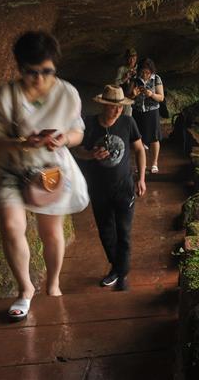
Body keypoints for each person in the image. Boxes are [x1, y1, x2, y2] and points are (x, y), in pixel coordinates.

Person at [0, 31, 89, 322]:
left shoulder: (67, 93)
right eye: (33, 73)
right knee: (11, 226)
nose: (41, 79)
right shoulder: (8, 94)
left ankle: (53, 284)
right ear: (20, 68)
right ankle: (25, 289)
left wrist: (63, 139)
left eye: (47, 71)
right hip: (11, 167)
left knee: (51, 232)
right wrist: (22, 142)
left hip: (48, 169)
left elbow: (78, 132)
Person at [74, 85, 146, 291]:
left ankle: (121, 273)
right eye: (113, 106)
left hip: (124, 187)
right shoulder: (88, 124)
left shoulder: (127, 122)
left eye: (120, 107)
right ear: (103, 105)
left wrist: (141, 178)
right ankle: (117, 267)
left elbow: (140, 149)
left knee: (123, 231)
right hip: (98, 188)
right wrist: (91, 155)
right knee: (106, 232)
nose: (117, 110)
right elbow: (78, 151)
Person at [132, 58, 165, 173]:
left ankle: (154, 163)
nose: (145, 74)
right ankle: (142, 164)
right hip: (138, 110)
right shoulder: (135, 79)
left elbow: (161, 97)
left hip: (152, 111)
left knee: (154, 138)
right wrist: (133, 94)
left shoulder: (156, 78)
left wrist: (151, 94)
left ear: (151, 71)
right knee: (138, 138)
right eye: (143, 72)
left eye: (147, 72)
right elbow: (128, 97)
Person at [114, 48, 138, 116]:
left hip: (138, 98)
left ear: (136, 57)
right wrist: (125, 78)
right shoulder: (121, 69)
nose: (132, 60)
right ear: (126, 58)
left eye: (133, 57)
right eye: (129, 57)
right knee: (127, 117)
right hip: (126, 98)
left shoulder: (139, 68)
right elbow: (116, 84)